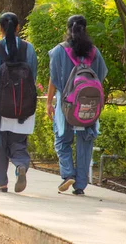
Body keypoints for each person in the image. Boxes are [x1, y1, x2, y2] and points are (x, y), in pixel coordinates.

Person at [47, 15, 107, 196]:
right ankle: (80, 185)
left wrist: (49, 102)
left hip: (66, 104)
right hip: (88, 104)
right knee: (85, 140)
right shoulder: (94, 52)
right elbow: (101, 75)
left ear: (67, 29)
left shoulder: (58, 51)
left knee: (62, 138)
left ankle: (67, 174)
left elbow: (54, 79)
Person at [0, 12, 38, 193]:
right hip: (23, 105)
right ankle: (20, 165)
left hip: (0, 104)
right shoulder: (29, 49)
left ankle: (1, 183)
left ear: (0, 28)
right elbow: (33, 77)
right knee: (18, 141)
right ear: (18, 27)